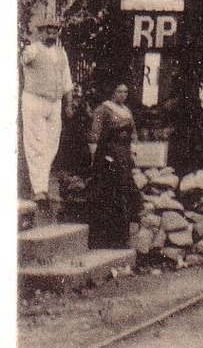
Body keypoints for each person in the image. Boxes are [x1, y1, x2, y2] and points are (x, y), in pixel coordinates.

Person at [21, 14, 74, 209]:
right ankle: (39, 190)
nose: (51, 33)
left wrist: (68, 103)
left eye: (55, 29)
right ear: (40, 31)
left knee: (51, 145)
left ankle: (42, 185)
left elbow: (67, 81)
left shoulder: (61, 52)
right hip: (35, 99)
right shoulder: (33, 49)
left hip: (55, 102)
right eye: (47, 29)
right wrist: (26, 48)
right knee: (36, 143)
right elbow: (22, 60)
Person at [87, 84, 142, 249]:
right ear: (112, 92)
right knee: (110, 194)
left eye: (126, 92)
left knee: (125, 192)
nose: (123, 95)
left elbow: (133, 134)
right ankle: (105, 239)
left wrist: (134, 151)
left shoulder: (127, 111)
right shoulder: (103, 110)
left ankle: (122, 237)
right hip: (108, 156)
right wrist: (94, 155)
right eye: (119, 91)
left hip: (124, 156)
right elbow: (94, 133)